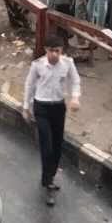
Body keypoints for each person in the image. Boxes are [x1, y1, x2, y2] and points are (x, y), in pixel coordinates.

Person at [21, 36, 81, 205]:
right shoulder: (38, 65)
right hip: (42, 108)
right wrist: (26, 107)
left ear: (61, 51)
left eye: (57, 51)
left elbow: (75, 81)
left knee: (57, 146)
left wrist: (75, 98)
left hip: (58, 107)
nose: (54, 54)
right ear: (46, 50)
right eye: (50, 51)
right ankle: (48, 182)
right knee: (46, 146)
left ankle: (49, 176)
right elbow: (29, 85)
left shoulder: (68, 64)